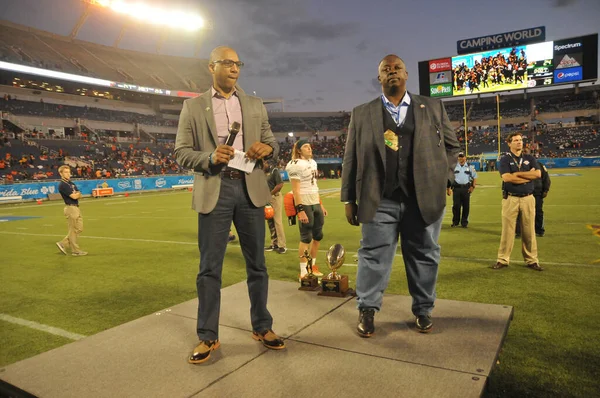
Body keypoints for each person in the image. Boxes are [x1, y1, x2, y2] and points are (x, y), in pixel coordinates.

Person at [174, 45, 285, 365]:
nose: (234, 68)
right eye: (227, 63)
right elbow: (181, 152)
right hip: (215, 188)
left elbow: (273, 144)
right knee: (209, 268)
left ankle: (262, 327)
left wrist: (267, 149)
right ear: (211, 67)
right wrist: (208, 157)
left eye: (238, 64)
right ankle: (208, 335)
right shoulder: (193, 107)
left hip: (250, 187)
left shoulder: (253, 104)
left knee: (258, 266)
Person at [341, 54, 460, 337]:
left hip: (423, 199)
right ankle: (367, 310)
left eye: (397, 68)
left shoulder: (432, 106)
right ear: (379, 78)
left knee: (424, 255)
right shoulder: (362, 112)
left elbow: (453, 147)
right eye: (385, 69)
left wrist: (445, 176)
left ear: (406, 75)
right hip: (378, 198)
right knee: (373, 256)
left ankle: (423, 309)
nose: (391, 72)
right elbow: (350, 158)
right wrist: (348, 198)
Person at [493, 133, 543, 271]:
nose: (519, 142)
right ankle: (503, 259)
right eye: (515, 140)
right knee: (507, 231)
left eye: (520, 140)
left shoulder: (529, 158)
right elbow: (507, 178)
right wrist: (528, 177)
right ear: (509, 143)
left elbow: (538, 174)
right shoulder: (504, 159)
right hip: (511, 198)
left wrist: (518, 175)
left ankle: (532, 260)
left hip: (528, 198)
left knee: (529, 231)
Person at [286, 140, 328, 279]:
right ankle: (303, 271)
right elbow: (296, 190)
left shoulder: (313, 163)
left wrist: (320, 204)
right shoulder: (295, 165)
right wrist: (300, 210)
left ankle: (312, 266)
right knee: (306, 237)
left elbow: (314, 185)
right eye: (305, 146)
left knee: (318, 236)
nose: (309, 148)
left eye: (310, 146)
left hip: (315, 201)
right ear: (298, 150)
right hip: (304, 202)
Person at [515, 149, 550, 237]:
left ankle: (539, 230)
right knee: (520, 212)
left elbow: (546, 178)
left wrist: (545, 190)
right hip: (523, 192)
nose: (525, 153)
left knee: (538, 211)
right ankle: (519, 231)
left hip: (536, 192)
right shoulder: (518, 165)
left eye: (527, 152)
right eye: (524, 152)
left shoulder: (539, 165)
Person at [56, 165, 87, 256]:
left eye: (69, 172)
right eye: (65, 172)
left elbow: (80, 194)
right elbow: (74, 196)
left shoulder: (71, 183)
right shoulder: (63, 185)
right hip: (70, 208)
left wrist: (77, 194)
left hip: (76, 207)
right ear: (61, 173)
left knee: (79, 228)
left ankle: (63, 243)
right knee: (73, 229)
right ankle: (75, 251)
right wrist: (77, 194)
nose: (68, 174)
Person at [447, 152, 478, 228]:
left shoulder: (470, 167)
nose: (461, 158)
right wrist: (448, 188)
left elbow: (475, 177)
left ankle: (464, 222)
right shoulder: (454, 167)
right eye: (459, 157)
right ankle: (455, 222)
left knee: (466, 206)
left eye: (462, 157)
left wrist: (472, 187)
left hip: (466, 189)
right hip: (456, 189)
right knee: (456, 206)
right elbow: (449, 178)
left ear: (465, 158)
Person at [263, 160, 287, 254]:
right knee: (270, 221)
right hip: (266, 198)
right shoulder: (262, 173)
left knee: (277, 221)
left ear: (268, 163)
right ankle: (274, 244)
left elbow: (280, 184)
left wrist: (270, 194)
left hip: (275, 197)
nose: (263, 165)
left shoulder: (274, 171)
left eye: (264, 163)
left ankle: (282, 245)